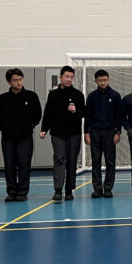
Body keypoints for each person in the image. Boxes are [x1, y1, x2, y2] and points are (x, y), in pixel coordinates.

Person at [0, 68, 42, 202]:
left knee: (24, 164)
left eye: (20, 79)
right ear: (9, 82)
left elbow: (37, 114)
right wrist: (4, 129)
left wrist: (29, 126)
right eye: (15, 80)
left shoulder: (31, 96)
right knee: (9, 165)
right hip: (8, 138)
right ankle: (11, 191)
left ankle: (22, 191)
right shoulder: (3, 98)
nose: (18, 82)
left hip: (25, 137)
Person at [40, 65, 86, 202]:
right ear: (60, 77)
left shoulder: (78, 95)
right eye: (67, 77)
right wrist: (44, 129)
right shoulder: (53, 95)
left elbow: (84, 112)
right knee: (59, 159)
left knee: (72, 161)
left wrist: (75, 111)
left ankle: (69, 190)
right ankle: (58, 190)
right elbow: (48, 113)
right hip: (57, 133)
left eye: (71, 77)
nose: (69, 79)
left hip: (74, 133)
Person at [84, 69, 124, 198]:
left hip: (110, 132)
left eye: (105, 80)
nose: (102, 83)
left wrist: (118, 132)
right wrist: (86, 133)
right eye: (100, 80)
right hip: (95, 132)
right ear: (96, 81)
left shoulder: (115, 96)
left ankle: (108, 188)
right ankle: (97, 189)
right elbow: (87, 116)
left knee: (110, 161)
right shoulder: (92, 97)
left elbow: (119, 116)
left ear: (108, 80)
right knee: (96, 161)